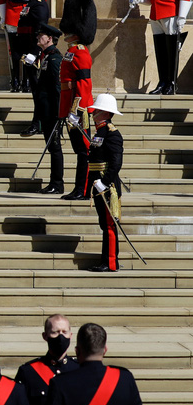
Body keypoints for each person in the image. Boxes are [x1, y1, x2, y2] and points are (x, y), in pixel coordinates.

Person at [57, 0, 97, 201]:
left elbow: (83, 85)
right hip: (70, 108)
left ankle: (83, 190)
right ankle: (78, 188)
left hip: (79, 111)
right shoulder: (71, 51)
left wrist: (76, 110)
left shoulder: (80, 53)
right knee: (79, 152)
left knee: (84, 152)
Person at [87, 94, 125, 272]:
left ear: (104, 113)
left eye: (96, 110)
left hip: (107, 186)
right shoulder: (100, 131)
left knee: (109, 225)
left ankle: (110, 262)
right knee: (104, 223)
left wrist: (104, 182)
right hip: (98, 184)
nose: (93, 113)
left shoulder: (112, 134)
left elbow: (115, 163)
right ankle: (105, 260)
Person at [17, 0, 51, 137]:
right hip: (27, 51)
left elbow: (40, 31)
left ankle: (38, 124)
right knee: (35, 91)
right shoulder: (30, 4)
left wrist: (35, 53)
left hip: (34, 54)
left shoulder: (39, 5)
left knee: (39, 92)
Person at [35, 23, 65, 194]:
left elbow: (57, 87)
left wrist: (59, 113)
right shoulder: (46, 56)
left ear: (49, 39)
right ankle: (54, 182)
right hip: (46, 111)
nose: (39, 37)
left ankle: (57, 183)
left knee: (54, 147)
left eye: (42, 35)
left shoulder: (54, 58)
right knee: (52, 147)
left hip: (52, 112)